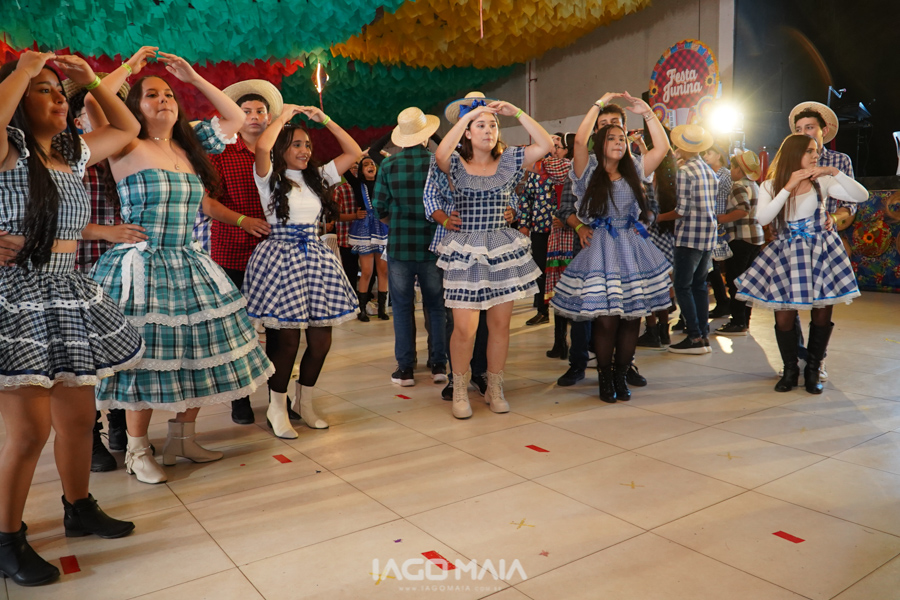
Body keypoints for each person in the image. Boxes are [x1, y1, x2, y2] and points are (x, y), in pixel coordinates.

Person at [89, 52, 274, 484]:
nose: (163, 100)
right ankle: (137, 450)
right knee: (145, 359)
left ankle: (182, 439)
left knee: (198, 352)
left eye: (169, 94)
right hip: (142, 265)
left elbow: (233, 117)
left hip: (187, 261)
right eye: (152, 95)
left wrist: (193, 77)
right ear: (134, 107)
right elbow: (95, 99)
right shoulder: (124, 142)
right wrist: (131, 68)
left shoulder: (189, 146)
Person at [0, 51, 143, 586]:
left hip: (67, 291)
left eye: (59, 91)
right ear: (19, 100)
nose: (58, 98)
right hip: (17, 296)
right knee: (29, 431)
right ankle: (6, 539)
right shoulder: (7, 148)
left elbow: (126, 128)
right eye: (44, 90)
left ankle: (79, 508)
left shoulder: (70, 153)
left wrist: (93, 82)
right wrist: (22, 69)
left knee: (80, 419)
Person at [242, 104, 361, 436]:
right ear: (283, 147)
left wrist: (326, 119)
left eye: (307, 144)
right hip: (280, 259)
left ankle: (303, 402)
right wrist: (283, 117)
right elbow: (262, 147)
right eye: (296, 144)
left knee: (321, 341)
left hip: (315, 259)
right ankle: (276, 407)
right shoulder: (269, 178)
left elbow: (353, 152)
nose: (305, 150)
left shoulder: (317, 177)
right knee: (286, 342)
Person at [432, 92, 552, 419]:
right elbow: (441, 154)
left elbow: (545, 145)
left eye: (493, 125)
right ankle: (460, 388)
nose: (488, 130)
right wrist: (466, 118)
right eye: (480, 125)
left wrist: (518, 113)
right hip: (465, 249)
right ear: (468, 131)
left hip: (501, 246)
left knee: (500, 325)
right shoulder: (455, 164)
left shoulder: (510, 159)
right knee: (464, 328)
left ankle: (494, 387)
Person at [550, 92, 670, 402]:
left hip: (631, 248)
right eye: (611, 138)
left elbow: (663, 148)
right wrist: (598, 104)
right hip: (600, 248)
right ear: (600, 142)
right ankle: (604, 378)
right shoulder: (587, 171)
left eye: (622, 138)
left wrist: (647, 112)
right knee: (606, 320)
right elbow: (579, 142)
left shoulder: (635, 169)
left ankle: (621, 374)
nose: (618, 142)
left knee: (631, 319)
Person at [64, 51, 151, 472]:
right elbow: (56, 219)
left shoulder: (124, 151)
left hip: (119, 265)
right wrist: (105, 232)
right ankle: (90, 434)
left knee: (119, 343)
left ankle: (119, 421)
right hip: (77, 263)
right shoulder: (68, 154)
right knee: (83, 354)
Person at [735, 134, 867, 393]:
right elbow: (763, 219)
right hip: (786, 255)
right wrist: (789, 185)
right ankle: (790, 369)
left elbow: (860, 195)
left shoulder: (822, 181)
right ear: (794, 154)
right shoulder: (771, 185)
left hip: (820, 252)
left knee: (822, 313)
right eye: (809, 151)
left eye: (816, 150)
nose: (815, 155)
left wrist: (834, 172)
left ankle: (813, 369)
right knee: (784, 316)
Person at [208, 79, 278, 425]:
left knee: (279, 325)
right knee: (236, 328)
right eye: (246, 111)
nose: (253, 116)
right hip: (232, 250)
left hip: (275, 252)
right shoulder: (220, 153)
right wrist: (242, 220)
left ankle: (278, 398)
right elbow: (206, 203)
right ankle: (240, 397)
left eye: (260, 111)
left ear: (269, 117)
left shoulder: (279, 153)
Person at [372, 107, 447, 387]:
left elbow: (379, 207)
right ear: (425, 136)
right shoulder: (438, 163)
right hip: (433, 245)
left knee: (403, 308)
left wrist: (396, 222)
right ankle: (439, 365)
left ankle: (405, 369)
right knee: (436, 307)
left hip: (400, 246)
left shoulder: (388, 165)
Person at [789, 101, 857, 382]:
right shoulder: (789, 159)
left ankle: (817, 361)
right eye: (798, 129)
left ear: (823, 130)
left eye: (809, 127)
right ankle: (794, 358)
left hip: (823, 241)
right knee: (788, 302)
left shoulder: (839, 161)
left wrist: (834, 217)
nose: (804, 132)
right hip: (792, 241)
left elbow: (851, 203)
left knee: (822, 302)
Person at [659, 124, 719, 355]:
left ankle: (694, 337)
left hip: (689, 236)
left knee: (682, 286)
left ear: (681, 147)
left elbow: (682, 210)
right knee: (699, 286)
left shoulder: (685, 172)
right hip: (708, 235)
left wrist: (658, 217)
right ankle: (703, 335)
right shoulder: (709, 170)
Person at [516, 135, 571, 327]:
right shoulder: (537, 170)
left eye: (558, 147)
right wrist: (524, 224)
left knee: (562, 269)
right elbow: (526, 198)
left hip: (563, 230)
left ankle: (567, 313)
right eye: (552, 146)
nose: (554, 150)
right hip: (540, 228)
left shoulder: (568, 169)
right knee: (539, 270)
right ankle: (542, 311)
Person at [714, 150, 765, 335]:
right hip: (755, 237)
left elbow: (743, 210)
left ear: (738, 169)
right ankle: (744, 320)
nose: (730, 171)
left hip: (741, 238)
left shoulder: (737, 185)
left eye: (732, 167)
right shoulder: (754, 185)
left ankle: (737, 322)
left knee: (735, 280)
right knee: (747, 281)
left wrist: (720, 218)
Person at [347, 155, 390, 321]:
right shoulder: (357, 184)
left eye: (372, 163)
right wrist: (357, 155)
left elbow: (386, 163)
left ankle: (382, 309)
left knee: (383, 271)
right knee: (366, 271)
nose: (371, 165)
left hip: (382, 227)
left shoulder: (383, 182)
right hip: (364, 229)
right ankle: (362, 309)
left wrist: (381, 155)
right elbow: (345, 169)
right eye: (366, 164)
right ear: (360, 170)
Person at [702, 141, 734, 319]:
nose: (705, 156)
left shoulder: (725, 174)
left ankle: (724, 302)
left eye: (709, 153)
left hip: (721, 223)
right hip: (711, 222)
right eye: (704, 153)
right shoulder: (710, 173)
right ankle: (722, 301)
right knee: (712, 265)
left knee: (715, 265)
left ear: (719, 155)